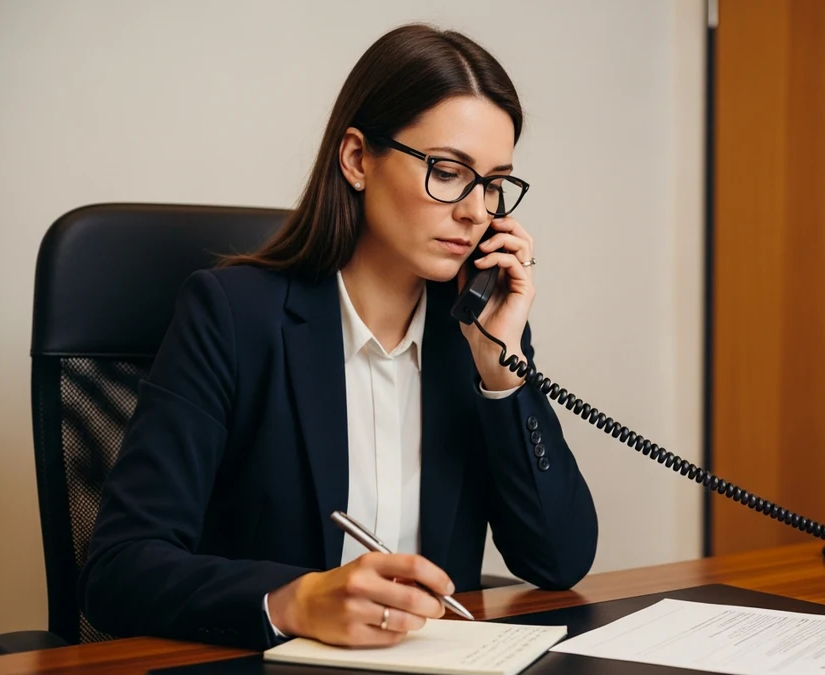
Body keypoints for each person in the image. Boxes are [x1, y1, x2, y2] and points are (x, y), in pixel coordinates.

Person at [79, 23, 599, 651]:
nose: (475, 210)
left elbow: (558, 559)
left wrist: (502, 375)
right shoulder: (233, 316)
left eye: (493, 184)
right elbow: (119, 568)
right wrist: (292, 602)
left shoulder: (477, 333)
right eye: (448, 171)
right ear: (357, 159)